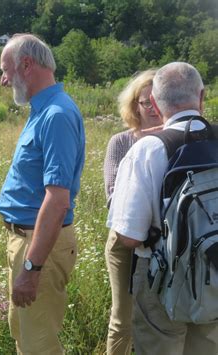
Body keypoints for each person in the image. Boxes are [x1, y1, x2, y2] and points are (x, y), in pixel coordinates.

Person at [107, 62, 218, 354]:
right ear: (202, 96)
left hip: (162, 277)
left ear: (155, 102)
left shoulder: (148, 149)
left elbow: (128, 236)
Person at [0, 33, 85, 354]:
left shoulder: (56, 116)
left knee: (39, 346)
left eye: (6, 70)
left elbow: (58, 200)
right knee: (24, 334)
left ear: (27, 65)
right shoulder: (42, 110)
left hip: (39, 247)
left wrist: (31, 269)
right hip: (27, 241)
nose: (4, 81)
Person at [103, 69, 161, 355]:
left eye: (156, 100)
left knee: (163, 318)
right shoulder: (121, 142)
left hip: (166, 242)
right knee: (123, 318)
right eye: (144, 101)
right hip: (123, 242)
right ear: (134, 105)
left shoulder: (178, 140)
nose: (151, 108)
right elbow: (113, 196)